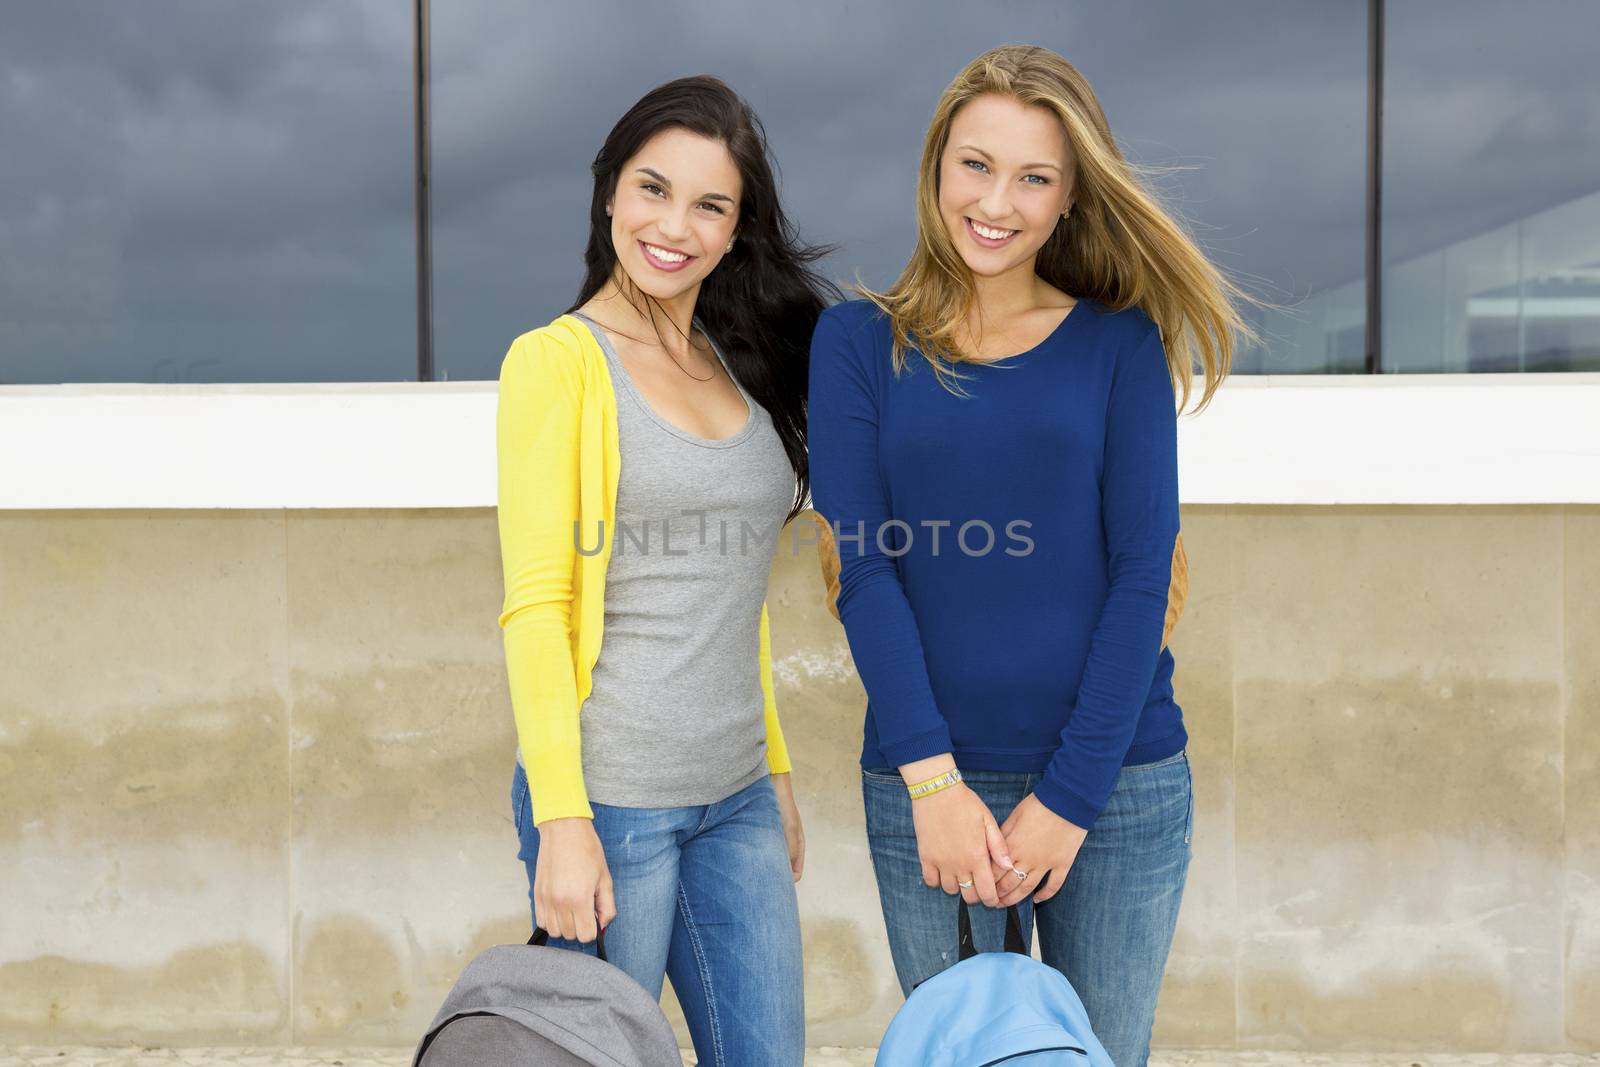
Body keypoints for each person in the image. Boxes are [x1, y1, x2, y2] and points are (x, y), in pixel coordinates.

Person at [807, 44, 1251, 1067]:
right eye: (975, 164)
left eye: (1032, 177)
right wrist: (934, 784)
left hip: (1116, 784)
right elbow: (863, 570)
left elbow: (1146, 574)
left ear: (1066, 202)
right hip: (928, 787)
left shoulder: (1119, 344)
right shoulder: (854, 345)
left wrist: (1067, 801)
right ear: (934, 169)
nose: (995, 202)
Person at [495, 74, 837, 1067]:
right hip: (612, 799)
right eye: (652, 188)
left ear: (736, 231)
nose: (673, 225)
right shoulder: (556, 363)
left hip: (733, 795)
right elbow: (534, 605)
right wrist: (562, 819)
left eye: (709, 204)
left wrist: (771, 764)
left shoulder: (740, 364)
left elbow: (736, 592)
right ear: (608, 193)